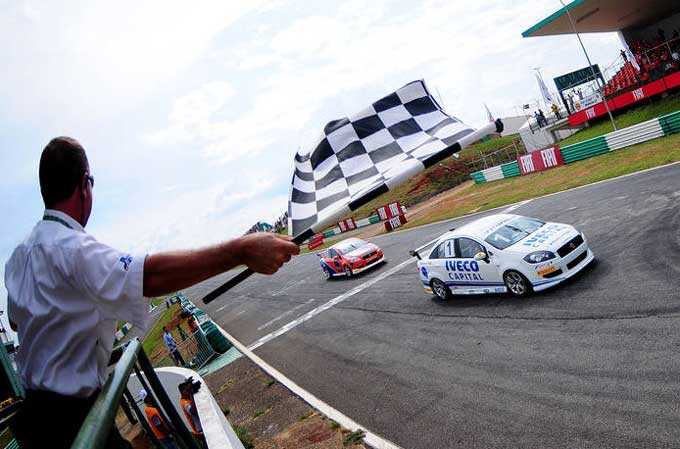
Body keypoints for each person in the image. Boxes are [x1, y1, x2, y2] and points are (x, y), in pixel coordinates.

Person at [4, 137, 299, 449]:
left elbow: (15, 322)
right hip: (73, 420)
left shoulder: (18, 257)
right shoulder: (73, 249)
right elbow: (150, 276)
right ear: (83, 185)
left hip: (36, 421)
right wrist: (240, 251)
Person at [179, 381, 207, 448]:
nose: (188, 391)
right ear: (183, 391)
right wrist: (191, 394)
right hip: (199, 430)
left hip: (201, 427)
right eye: (187, 390)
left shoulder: (187, 399)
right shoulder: (184, 403)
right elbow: (192, 411)